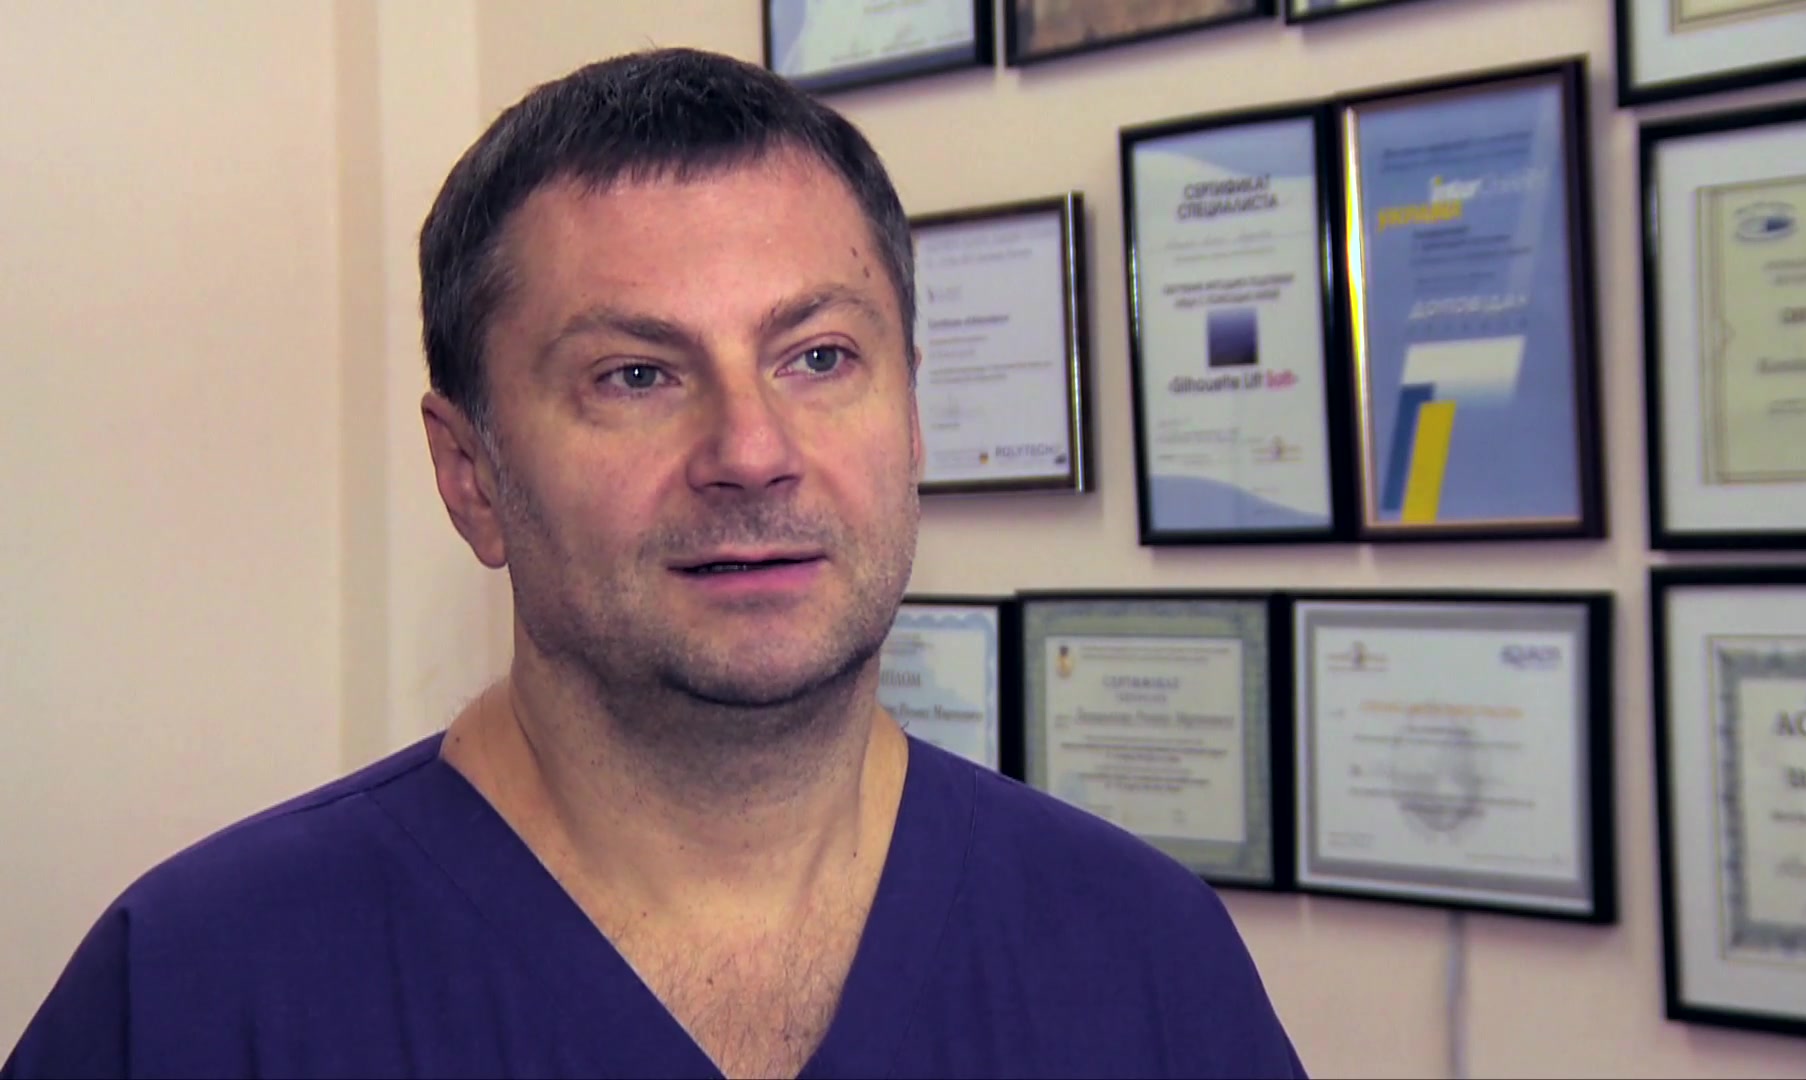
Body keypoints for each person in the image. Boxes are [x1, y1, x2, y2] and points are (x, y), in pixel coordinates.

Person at [3, 48, 1307, 1079]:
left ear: (914, 419)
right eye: (635, 375)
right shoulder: (196, 994)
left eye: (818, 358)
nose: (752, 451)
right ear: (472, 475)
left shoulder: (1141, 954)